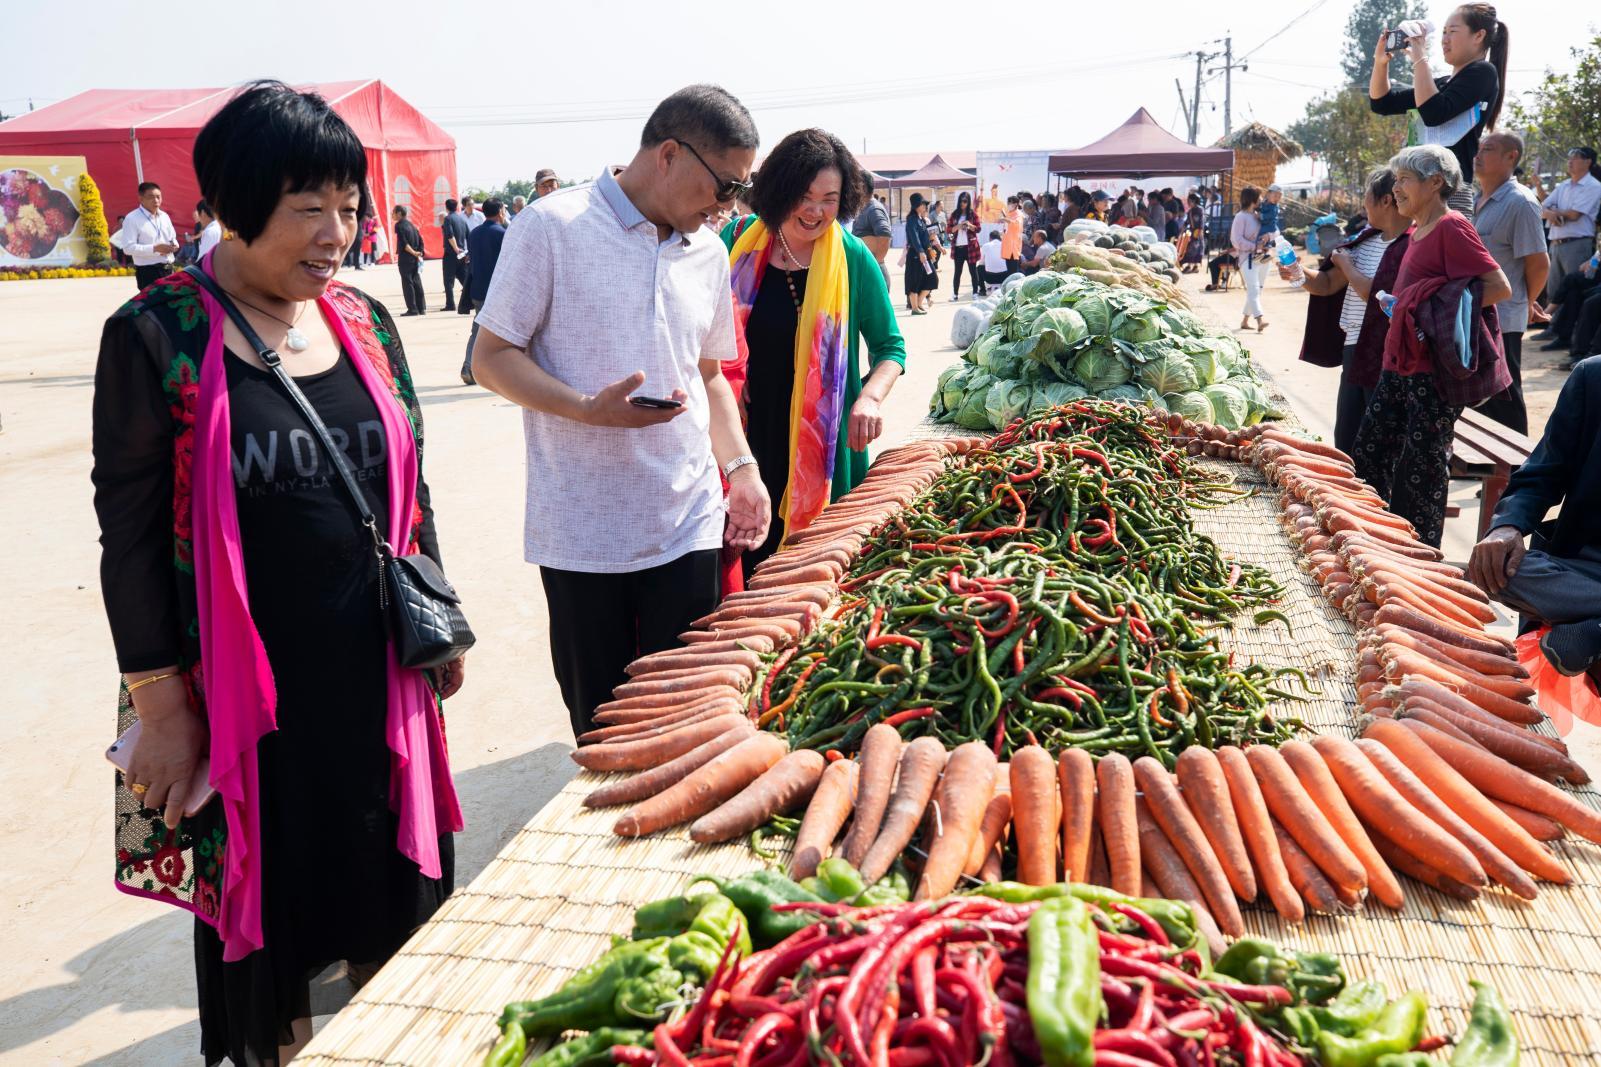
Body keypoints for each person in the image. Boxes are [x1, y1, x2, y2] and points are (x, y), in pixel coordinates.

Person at [91, 81, 463, 1067]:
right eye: (309, 208)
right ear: (231, 200)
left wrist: (439, 613)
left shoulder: (365, 322)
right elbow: (127, 536)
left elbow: (409, 482)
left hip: (377, 680)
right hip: (244, 708)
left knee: (396, 904)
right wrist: (163, 707)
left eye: (348, 205)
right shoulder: (158, 333)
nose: (336, 230)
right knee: (272, 930)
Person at [470, 84, 770, 741]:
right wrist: (584, 409)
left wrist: (741, 469)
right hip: (583, 531)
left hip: (686, 518)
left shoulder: (709, 253)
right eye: (723, 185)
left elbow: (710, 375)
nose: (727, 206)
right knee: (604, 724)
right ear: (668, 153)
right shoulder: (552, 226)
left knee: (687, 712)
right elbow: (491, 356)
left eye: (736, 191)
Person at [718, 127, 907, 576]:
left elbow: (890, 348)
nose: (816, 210)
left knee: (817, 576)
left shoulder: (853, 258)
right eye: (805, 195)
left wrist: (869, 397)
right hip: (744, 437)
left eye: (829, 198)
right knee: (745, 567)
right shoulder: (736, 241)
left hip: (824, 446)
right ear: (779, 190)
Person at [1352, 144, 1512, 548]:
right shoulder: (1416, 230)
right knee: (1370, 454)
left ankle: (1419, 557)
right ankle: (1374, 541)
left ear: (1436, 182)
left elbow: (1498, 288)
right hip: (1399, 364)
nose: (1397, 188)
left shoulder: (1451, 227)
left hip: (1430, 375)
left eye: (1405, 179)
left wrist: (1424, 303)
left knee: (1420, 470)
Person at [1468, 356, 1601, 685]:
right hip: (1586, 571)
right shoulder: (1593, 377)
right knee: (1502, 568)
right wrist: (1506, 527)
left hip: (1585, 589)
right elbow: (1543, 472)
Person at [1297, 168, 1411, 454]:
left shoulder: (1411, 245)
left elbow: (1379, 297)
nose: (1363, 205)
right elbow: (1325, 285)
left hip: (1387, 355)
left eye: (1366, 197)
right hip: (1355, 348)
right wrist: (1297, 273)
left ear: (1386, 200)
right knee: (1347, 438)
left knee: (1379, 443)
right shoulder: (1366, 240)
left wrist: (1348, 266)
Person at [1370, 3, 1509, 216]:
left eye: (1452, 31)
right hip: (1418, 188)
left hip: (1449, 191)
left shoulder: (1483, 72)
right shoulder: (1443, 82)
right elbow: (1382, 103)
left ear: (1478, 36)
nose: (1445, 39)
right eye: (1443, 32)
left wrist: (1419, 58)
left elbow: (1434, 112)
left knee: (1445, 250)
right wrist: (1380, 63)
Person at [1471, 132, 1549, 434]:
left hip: (1504, 318)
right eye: (1478, 149)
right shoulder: (1478, 201)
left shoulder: (1521, 202)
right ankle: (1493, 475)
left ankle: (1517, 475)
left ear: (1511, 157)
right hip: (1477, 315)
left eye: (1487, 149)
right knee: (1482, 400)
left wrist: (1526, 303)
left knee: (1504, 397)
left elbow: (1539, 264)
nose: (1478, 155)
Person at [1539, 147, 1601, 316]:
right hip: (1556, 242)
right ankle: (1551, 328)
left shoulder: (1593, 186)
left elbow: (1574, 214)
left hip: (1577, 243)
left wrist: (1553, 212)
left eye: (1575, 158)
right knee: (1554, 289)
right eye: (1569, 158)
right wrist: (1552, 213)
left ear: (1588, 162)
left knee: (1572, 290)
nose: (1570, 161)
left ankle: (1564, 334)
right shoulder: (1564, 185)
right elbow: (1542, 207)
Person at [462, 198, 507, 385]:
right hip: (497, 291)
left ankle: (468, 366)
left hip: (478, 290)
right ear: (500, 212)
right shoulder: (502, 234)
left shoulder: (474, 233)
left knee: (477, 330)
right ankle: (505, 372)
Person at [119, 182, 180, 290]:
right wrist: (155, 248)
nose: (156, 200)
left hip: (169, 269)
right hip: (148, 272)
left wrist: (174, 245)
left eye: (158, 197)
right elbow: (127, 248)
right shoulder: (132, 218)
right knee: (154, 306)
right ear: (141, 199)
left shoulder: (164, 216)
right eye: (151, 197)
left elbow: (173, 238)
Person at [1231, 186, 1268, 332]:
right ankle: (1260, 319)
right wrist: (1255, 246)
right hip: (1247, 259)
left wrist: (1267, 238)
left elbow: (1273, 231)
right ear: (1252, 199)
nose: (1261, 200)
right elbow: (1236, 240)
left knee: (1257, 290)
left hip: (1263, 259)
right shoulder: (1240, 217)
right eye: (1258, 197)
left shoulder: (1259, 216)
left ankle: (1245, 321)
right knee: (1253, 289)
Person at [849, 179, 893, 291]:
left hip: (873, 272)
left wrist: (876, 264)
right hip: (866, 269)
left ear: (861, 188)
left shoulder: (874, 209)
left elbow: (885, 234)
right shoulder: (864, 207)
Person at [946, 191, 985, 298]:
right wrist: (958, 226)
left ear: (968, 202)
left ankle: (975, 293)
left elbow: (978, 229)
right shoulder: (954, 214)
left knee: (973, 271)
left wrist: (969, 225)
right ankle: (955, 294)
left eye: (965, 201)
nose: (962, 203)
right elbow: (949, 230)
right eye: (961, 201)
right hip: (958, 247)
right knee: (957, 272)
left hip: (970, 247)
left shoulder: (973, 214)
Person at [904, 193, 936, 314]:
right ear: (917, 205)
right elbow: (914, 237)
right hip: (915, 254)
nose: (925, 207)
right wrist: (921, 252)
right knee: (914, 280)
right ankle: (914, 308)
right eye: (923, 204)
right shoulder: (912, 220)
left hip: (923, 253)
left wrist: (930, 238)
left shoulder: (921, 220)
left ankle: (918, 303)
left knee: (932, 278)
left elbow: (922, 237)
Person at [393, 205, 427, 316]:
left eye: (393, 212)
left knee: (407, 284)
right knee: (417, 282)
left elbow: (404, 243)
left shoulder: (399, 225)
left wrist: (413, 252)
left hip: (406, 259)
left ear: (399, 213)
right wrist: (419, 253)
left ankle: (412, 309)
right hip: (415, 259)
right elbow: (421, 241)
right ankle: (421, 308)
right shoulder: (412, 225)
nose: (392, 215)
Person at [439, 198, 470, 312]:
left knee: (448, 281)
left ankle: (450, 304)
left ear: (446, 207)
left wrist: (456, 248)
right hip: (462, 254)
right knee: (463, 278)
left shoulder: (448, 219)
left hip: (451, 254)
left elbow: (449, 235)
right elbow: (468, 235)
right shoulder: (462, 220)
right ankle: (470, 300)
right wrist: (467, 252)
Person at [1179, 193, 1206, 273]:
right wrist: (1183, 228)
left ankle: (1194, 266)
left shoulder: (1200, 209)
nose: (1188, 203)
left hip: (1198, 232)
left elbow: (1201, 221)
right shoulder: (1190, 211)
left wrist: (1200, 230)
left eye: (1189, 201)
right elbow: (1187, 221)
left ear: (1193, 201)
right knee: (1191, 249)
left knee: (1196, 249)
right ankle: (1191, 265)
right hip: (1192, 231)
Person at [1001, 196, 1025, 274]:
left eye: (1010, 203)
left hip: (1013, 247)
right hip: (1007, 247)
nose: (1008, 204)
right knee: (1009, 271)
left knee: (1013, 272)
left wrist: (1005, 219)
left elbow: (1016, 224)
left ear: (1015, 204)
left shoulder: (1019, 214)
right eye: (1008, 202)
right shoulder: (1009, 213)